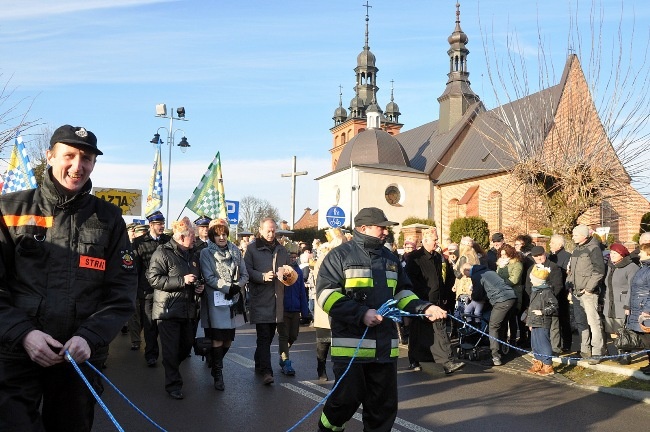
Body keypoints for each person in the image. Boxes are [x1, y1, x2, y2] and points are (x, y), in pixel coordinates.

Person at [0, 124, 137, 431]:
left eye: (86, 158)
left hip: (78, 358)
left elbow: (122, 288)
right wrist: (23, 333)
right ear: (50, 156)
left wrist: (90, 336)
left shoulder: (109, 217)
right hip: (16, 353)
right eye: (70, 155)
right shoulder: (10, 209)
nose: (78, 166)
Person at [316, 207, 447, 432]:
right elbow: (326, 295)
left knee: (383, 410)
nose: (385, 232)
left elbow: (403, 293)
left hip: (384, 349)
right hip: (352, 350)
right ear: (363, 228)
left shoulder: (390, 258)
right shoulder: (339, 255)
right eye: (381, 227)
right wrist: (361, 314)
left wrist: (425, 307)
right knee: (343, 405)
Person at [147, 217, 204, 399]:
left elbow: (195, 277)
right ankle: (173, 384)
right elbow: (153, 279)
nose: (195, 239)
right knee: (171, 350)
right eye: (192, 236)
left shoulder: (192, 254)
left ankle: (170, 365)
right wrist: (181, 281)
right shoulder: (162, 252)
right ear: (180, 237)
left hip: (188, 310)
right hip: (168, 310)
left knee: (186, 347)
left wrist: (198, 286)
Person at [405, 227, 464, 374]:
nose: (437, 242)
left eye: (437, 239)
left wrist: (444, 297)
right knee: (417, 332)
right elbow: (411, 281)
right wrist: (420, 300)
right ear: (425, 240)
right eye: (434, 239)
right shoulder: (414, 258)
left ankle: (447, 361)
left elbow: (440, 279)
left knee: (439, 329)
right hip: (420, 302)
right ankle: (415, 359)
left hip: (436, 300)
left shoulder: (438, 257)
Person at [199, 218, 248, 391]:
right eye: (218, 235)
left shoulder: (235, 251)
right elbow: (209, 277)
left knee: (228, 340)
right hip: (216, 300)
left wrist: (237, 286)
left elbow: (244, 274)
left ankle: (213, 360)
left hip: (232, 301)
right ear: (212, 236)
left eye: (224, 234)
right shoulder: (206, 253)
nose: (221, 238)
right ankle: (218, 374)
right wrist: (227, 287)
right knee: (218, 338)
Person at [244, 217, 289, 385]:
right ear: (261, 230)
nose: (271, 234)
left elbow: (288, 269)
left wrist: (287, 275)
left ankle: (259, 362)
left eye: (273, 230)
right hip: (260, 299)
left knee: (269, 336)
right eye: (268, 230)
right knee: (263, 337)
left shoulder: (281, 249)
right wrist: (262, 276)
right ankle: (267, 371)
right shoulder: (252, 249)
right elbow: (246, 270)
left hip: (278, 300)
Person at [132, 210, 170, 363]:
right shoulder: (139, 243)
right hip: (147, 290)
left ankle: (168, 354)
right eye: (159, 224)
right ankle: (151, 355)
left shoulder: (168, 241)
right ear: (151, 225)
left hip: (166, 288)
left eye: (163, 223)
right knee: (149, 324)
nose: (162, 226)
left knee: (165, 324)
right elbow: (136, 268)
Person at [462, 263, 517, 367]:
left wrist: (472, 296)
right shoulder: (489, 271)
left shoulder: (477, 275)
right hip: (512, 297)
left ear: (468, 270)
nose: (466, 277)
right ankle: (502, 352)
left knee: (493, 327)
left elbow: (477, 295)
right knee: (502, 326)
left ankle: (495, 357)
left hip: (501, 301)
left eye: (466, 275)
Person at [567, 224, 606, 365]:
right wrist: (569, 286)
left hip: (589, 293)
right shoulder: (576, 249)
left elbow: (599, 271)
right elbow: (571, 270)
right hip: (576, 292)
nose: (573, 237)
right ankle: (584, 349)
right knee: (580, 322)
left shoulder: (594, 248)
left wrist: (589, 289)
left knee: (593, 323)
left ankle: (597, 352)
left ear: (584, 236)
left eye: (575, 235)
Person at [603, 243, 639, 364]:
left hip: (622, 304)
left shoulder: (631, 267)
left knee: (623, 330)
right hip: (610, 304)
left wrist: (628, 305)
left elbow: (632, 288)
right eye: (611, 253)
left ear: (622, 255)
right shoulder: (610, 267)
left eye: (614, 253)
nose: (611, 256)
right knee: (613, 331)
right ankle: (619, 352)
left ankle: (626, 355)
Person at [277, 251, 311, 376]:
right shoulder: (280, 271)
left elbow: (302, 292)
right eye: (290, 256)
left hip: (295, 309)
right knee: (284, 335)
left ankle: (283, 353)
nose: (292, 259)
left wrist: (305, 311)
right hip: (283, 309)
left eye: (294, 256)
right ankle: (286, 362)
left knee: (293, 336)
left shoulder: (299, 272)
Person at [525, 246, 564, 353]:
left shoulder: (553, 267)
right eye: (536, 256)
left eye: (540, 255)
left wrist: (547, 297)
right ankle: (540, 350)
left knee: (553, 326)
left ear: (544, 254)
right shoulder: (531, 269)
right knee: (537, 327)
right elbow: (528, 286)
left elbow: (558, 285)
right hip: (536, 302)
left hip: (550, 301)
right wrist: (534, 299)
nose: (538, 257)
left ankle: (555, 349)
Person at [525, 264, 558, 376]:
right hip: (534, 321)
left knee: (544, 343)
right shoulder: (535, 291)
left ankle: (548, 364)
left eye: (532, 279)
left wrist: (543, 312)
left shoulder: (547, 291)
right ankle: (538, 362)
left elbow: (554, 305)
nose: (531, 281)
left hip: (543, 320)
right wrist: (529, 322)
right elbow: (531, 306)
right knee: (535, 344)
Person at [625, 243, 650, 375]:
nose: (639, 254)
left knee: (648, 338)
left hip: (645, 311)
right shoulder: (643, 267)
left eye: (641, 252)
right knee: (646, 340)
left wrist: (647, 309)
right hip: (638, 308)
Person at [548, 234, 573, 352]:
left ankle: (567, 343)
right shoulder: (550, 257)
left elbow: (567, 273)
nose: (550, 244)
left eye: (552, 242)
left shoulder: (567, 256)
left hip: (562, 291)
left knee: (563, 318)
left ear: (559, 244)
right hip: (551, 290)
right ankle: (555, 342)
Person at [495, 244, 523, 345]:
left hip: (513, 293)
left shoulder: (517, 264)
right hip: (502, 294)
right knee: (503, 318)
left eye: (504, 255)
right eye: (501, 255)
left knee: (512, 318)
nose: (503, 257)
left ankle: (512, 339)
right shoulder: (500, 264)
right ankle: (502, 339)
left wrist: (500, 283)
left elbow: (514, 279)